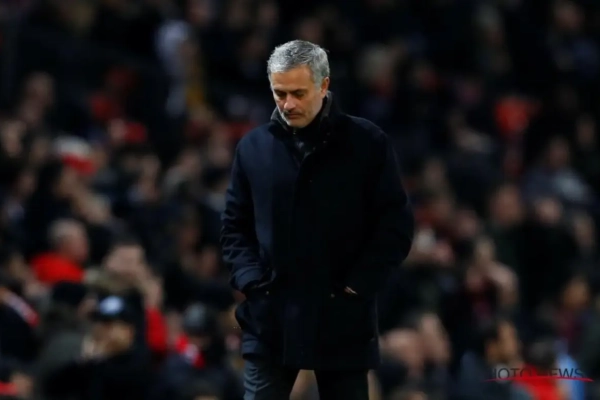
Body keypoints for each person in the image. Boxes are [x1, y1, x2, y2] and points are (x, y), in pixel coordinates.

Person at [220, 39, 414, 400]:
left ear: (324, 86)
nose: (287, 104)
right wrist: (253, 281)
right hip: (271, 316)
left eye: (298, 93)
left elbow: (394, 226)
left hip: (343, 319)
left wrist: (357, 285)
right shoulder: (253, 147)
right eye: (279, 93)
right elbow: (235, 227)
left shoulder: (367, 142)